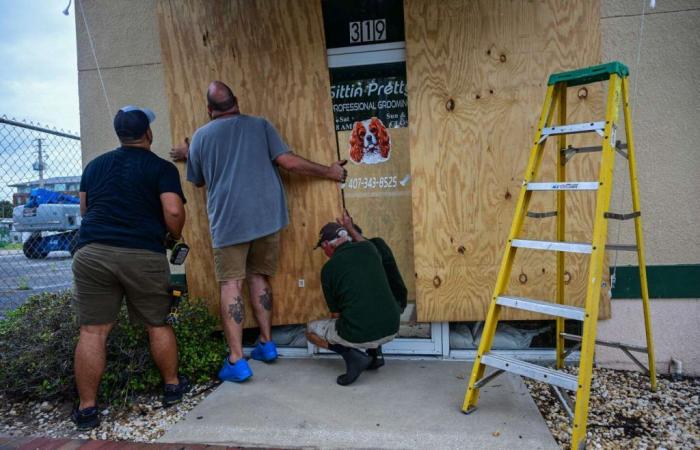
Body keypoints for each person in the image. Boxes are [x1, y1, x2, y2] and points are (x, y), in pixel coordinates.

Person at [170, 81, 347, 383]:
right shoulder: (260, 125)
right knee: (259, 277)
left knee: (231, 285)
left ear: (209, 109)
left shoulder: (200, 137)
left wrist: (191, 151)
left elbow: (197, 180)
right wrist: (329, 172)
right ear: (236, 101)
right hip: (267, 218)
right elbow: (287, 161)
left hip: (229, 224)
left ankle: (237, 360)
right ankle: (267, 343)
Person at [71, 105, 189, 430]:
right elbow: (174, 212)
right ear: (148, 133)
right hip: (143, 254)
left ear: (120, 134)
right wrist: (174, 236)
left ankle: (87, 410)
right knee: (157, 324)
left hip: (92, 252)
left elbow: (85, 209)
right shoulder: (162, 168)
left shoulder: (94, 166)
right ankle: (172, 387)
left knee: (93, 331)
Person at [306, 211, 406, 386]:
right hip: (392, 326)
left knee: (310, 331)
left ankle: (353, 357)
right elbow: (364, 243)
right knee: (370, 306)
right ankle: (375, 357)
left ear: (326, 245)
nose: (325, 253)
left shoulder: (329, 269)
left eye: (323, 249)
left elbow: (336, 315)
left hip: (363, 333)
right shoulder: (372, 250)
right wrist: (350, 227)